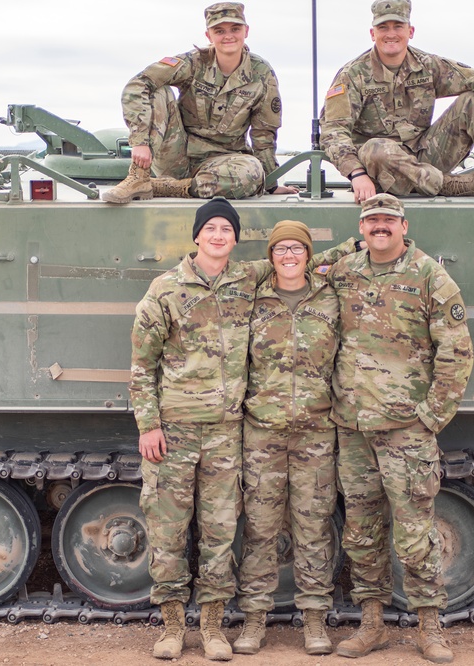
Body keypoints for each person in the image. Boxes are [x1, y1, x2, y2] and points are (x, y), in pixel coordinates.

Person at [129, 198, 360, 661]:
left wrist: (359, 241)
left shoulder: (246, 278)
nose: (218, 236)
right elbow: (141, 364)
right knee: (168, 531)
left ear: (235, 239)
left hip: (226, 432)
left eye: (226, 229)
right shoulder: (165, 289)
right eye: (210, 228)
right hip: (173, 429)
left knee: (218, 533)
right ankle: (173, 628)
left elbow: (298, 257)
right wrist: (148, 424)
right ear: (197, 236)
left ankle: (213, 629)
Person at [326, 193, 474, 664]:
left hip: (406, 429)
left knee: (414, 533)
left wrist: (432, 416)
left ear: (405, 227)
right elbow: (303, 270)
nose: (380, 227)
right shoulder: (346, 270)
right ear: (362, 228)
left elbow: (456, 352)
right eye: (372, 221)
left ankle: (431, 627)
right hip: (353, 426)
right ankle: (372, 624)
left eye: (389, 220)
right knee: (362, 531)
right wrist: (347, 245)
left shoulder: (430, 276)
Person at [320, 0, 474, 202]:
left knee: (471, 100)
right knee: (375, 148)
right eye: (383, 27)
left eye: (398, 26)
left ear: (410, 31)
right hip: (380, 171)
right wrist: (357, 174)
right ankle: (447, 185)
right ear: (373, 34)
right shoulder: (353, 75)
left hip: (426, 154)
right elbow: (333, 131)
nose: (391, 34)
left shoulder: (427, 66)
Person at [233, 221, 339, 657]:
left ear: (309, 253)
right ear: (270, 255)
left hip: (317, 431)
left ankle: (314, 621)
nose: (289, 255)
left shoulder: (331, 297)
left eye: (297, 248)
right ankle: (254, 620)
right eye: (280, 249)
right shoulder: (253, 297)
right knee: (260, 529)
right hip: (263, 430)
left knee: (313, 528)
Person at [104, 2, 297, 204]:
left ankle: (167, 187)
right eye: (219, 30)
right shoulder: (193, 63)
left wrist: (270, 183)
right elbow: (138, 84)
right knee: (157, 89)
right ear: (209, 36)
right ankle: (138, 177)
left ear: (246, 31)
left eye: (235, 29)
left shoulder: (261, 74)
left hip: (224, 162)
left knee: (253, 173)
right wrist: (140, 142)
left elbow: (264, 133)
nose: (228, 36)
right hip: (176, 153)